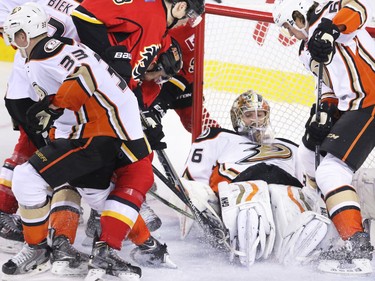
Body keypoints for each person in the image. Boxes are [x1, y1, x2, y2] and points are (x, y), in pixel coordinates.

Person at [0, 0, 172, 272]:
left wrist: (55, 107)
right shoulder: (61, 45)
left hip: (98, 134)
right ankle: (148, 244)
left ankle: (37, 249)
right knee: (97, 193)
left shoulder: (46, 52)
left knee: (27, 176)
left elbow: (85, 75)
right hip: (110, 128)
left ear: (21, 35)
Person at [272, 0, 375, 274]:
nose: (289, 33)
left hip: (371, 99)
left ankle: (357, 245)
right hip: (353, 104)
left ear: (297, 15)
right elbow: (331, 86)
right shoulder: (305, 51)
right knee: (307, 154)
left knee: (331, 172)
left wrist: (331, 28)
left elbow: (361, 8)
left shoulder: (332, 11)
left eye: (287, 27)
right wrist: (326, 111)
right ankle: (330, 232)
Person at [176, 90, 332, 267]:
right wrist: (206, 209)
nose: (256, 120)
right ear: (237, 118)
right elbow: (194, 178)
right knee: (254, 195)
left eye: (261, 114)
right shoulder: (217, 136)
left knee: (286, 195)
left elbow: (307, 183)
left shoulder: (289, 146)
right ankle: (247, 238)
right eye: (249, 115)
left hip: (284, 184)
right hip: (239, 187)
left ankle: (297, 239)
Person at [71, 0, 205, 149]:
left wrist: (142, 112)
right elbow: (83, 15)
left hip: (94, 87)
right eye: (189, 16)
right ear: (181, 6)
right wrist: (108, 57)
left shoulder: (160, 29)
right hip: (76, 79)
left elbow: (131, 78)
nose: (186, 23)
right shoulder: (150, 15)